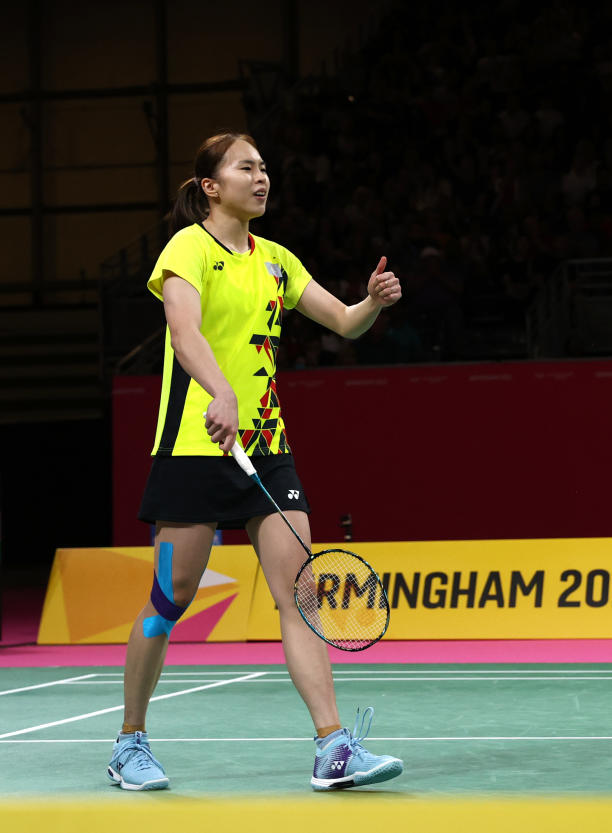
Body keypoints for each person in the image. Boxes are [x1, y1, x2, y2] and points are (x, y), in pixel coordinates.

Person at [108, 132, 405, 792]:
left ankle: (333, 745)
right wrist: (220, 392)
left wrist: (371, 305)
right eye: (246, 167)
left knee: (301, 592)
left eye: (265, 166)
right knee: (167, 598)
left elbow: (342, 321)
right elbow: (183, 331)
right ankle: (130, 740)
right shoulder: (188, 247)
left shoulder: (276, 259)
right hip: (194, 445)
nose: (262, 176)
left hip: (266, 448)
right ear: (212, 186)